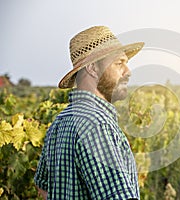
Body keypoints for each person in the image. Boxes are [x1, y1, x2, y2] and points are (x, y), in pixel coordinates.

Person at [34, 26, 144, 199]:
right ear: (92, 68)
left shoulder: (60, 122)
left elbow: (43, 188)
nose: (128, 71)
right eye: (119, 63)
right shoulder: (97, 124)